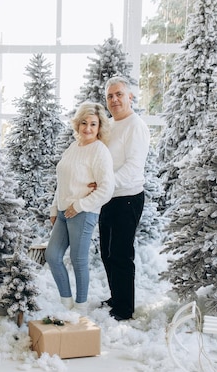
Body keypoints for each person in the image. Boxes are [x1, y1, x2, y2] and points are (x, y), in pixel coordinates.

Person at [45, 102, 115, 314]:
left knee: (78, 260)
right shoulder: (73, 147)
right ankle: (66, 303)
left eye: (93, 124)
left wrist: (80, 205)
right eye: (84, 123)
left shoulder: (100, 151)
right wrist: (55, 209)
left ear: (99, 127)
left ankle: (81, 306)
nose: (87, 128)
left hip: (83, 213)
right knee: (52, 256)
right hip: (64, 213)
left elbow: (107, 188)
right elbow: (62, 181)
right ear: (77, 124)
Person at [98, 76, 150, 321]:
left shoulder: (135, 126)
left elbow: (133, 166)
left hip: (127, 198)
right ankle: (115, 297)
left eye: (119, 94)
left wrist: (106, 185)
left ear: (130, 96)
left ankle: (124, 309)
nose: (115, 99)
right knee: (106, 254)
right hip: (107, 198)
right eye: (110, 96)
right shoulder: (109, 125)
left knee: (120, 254)